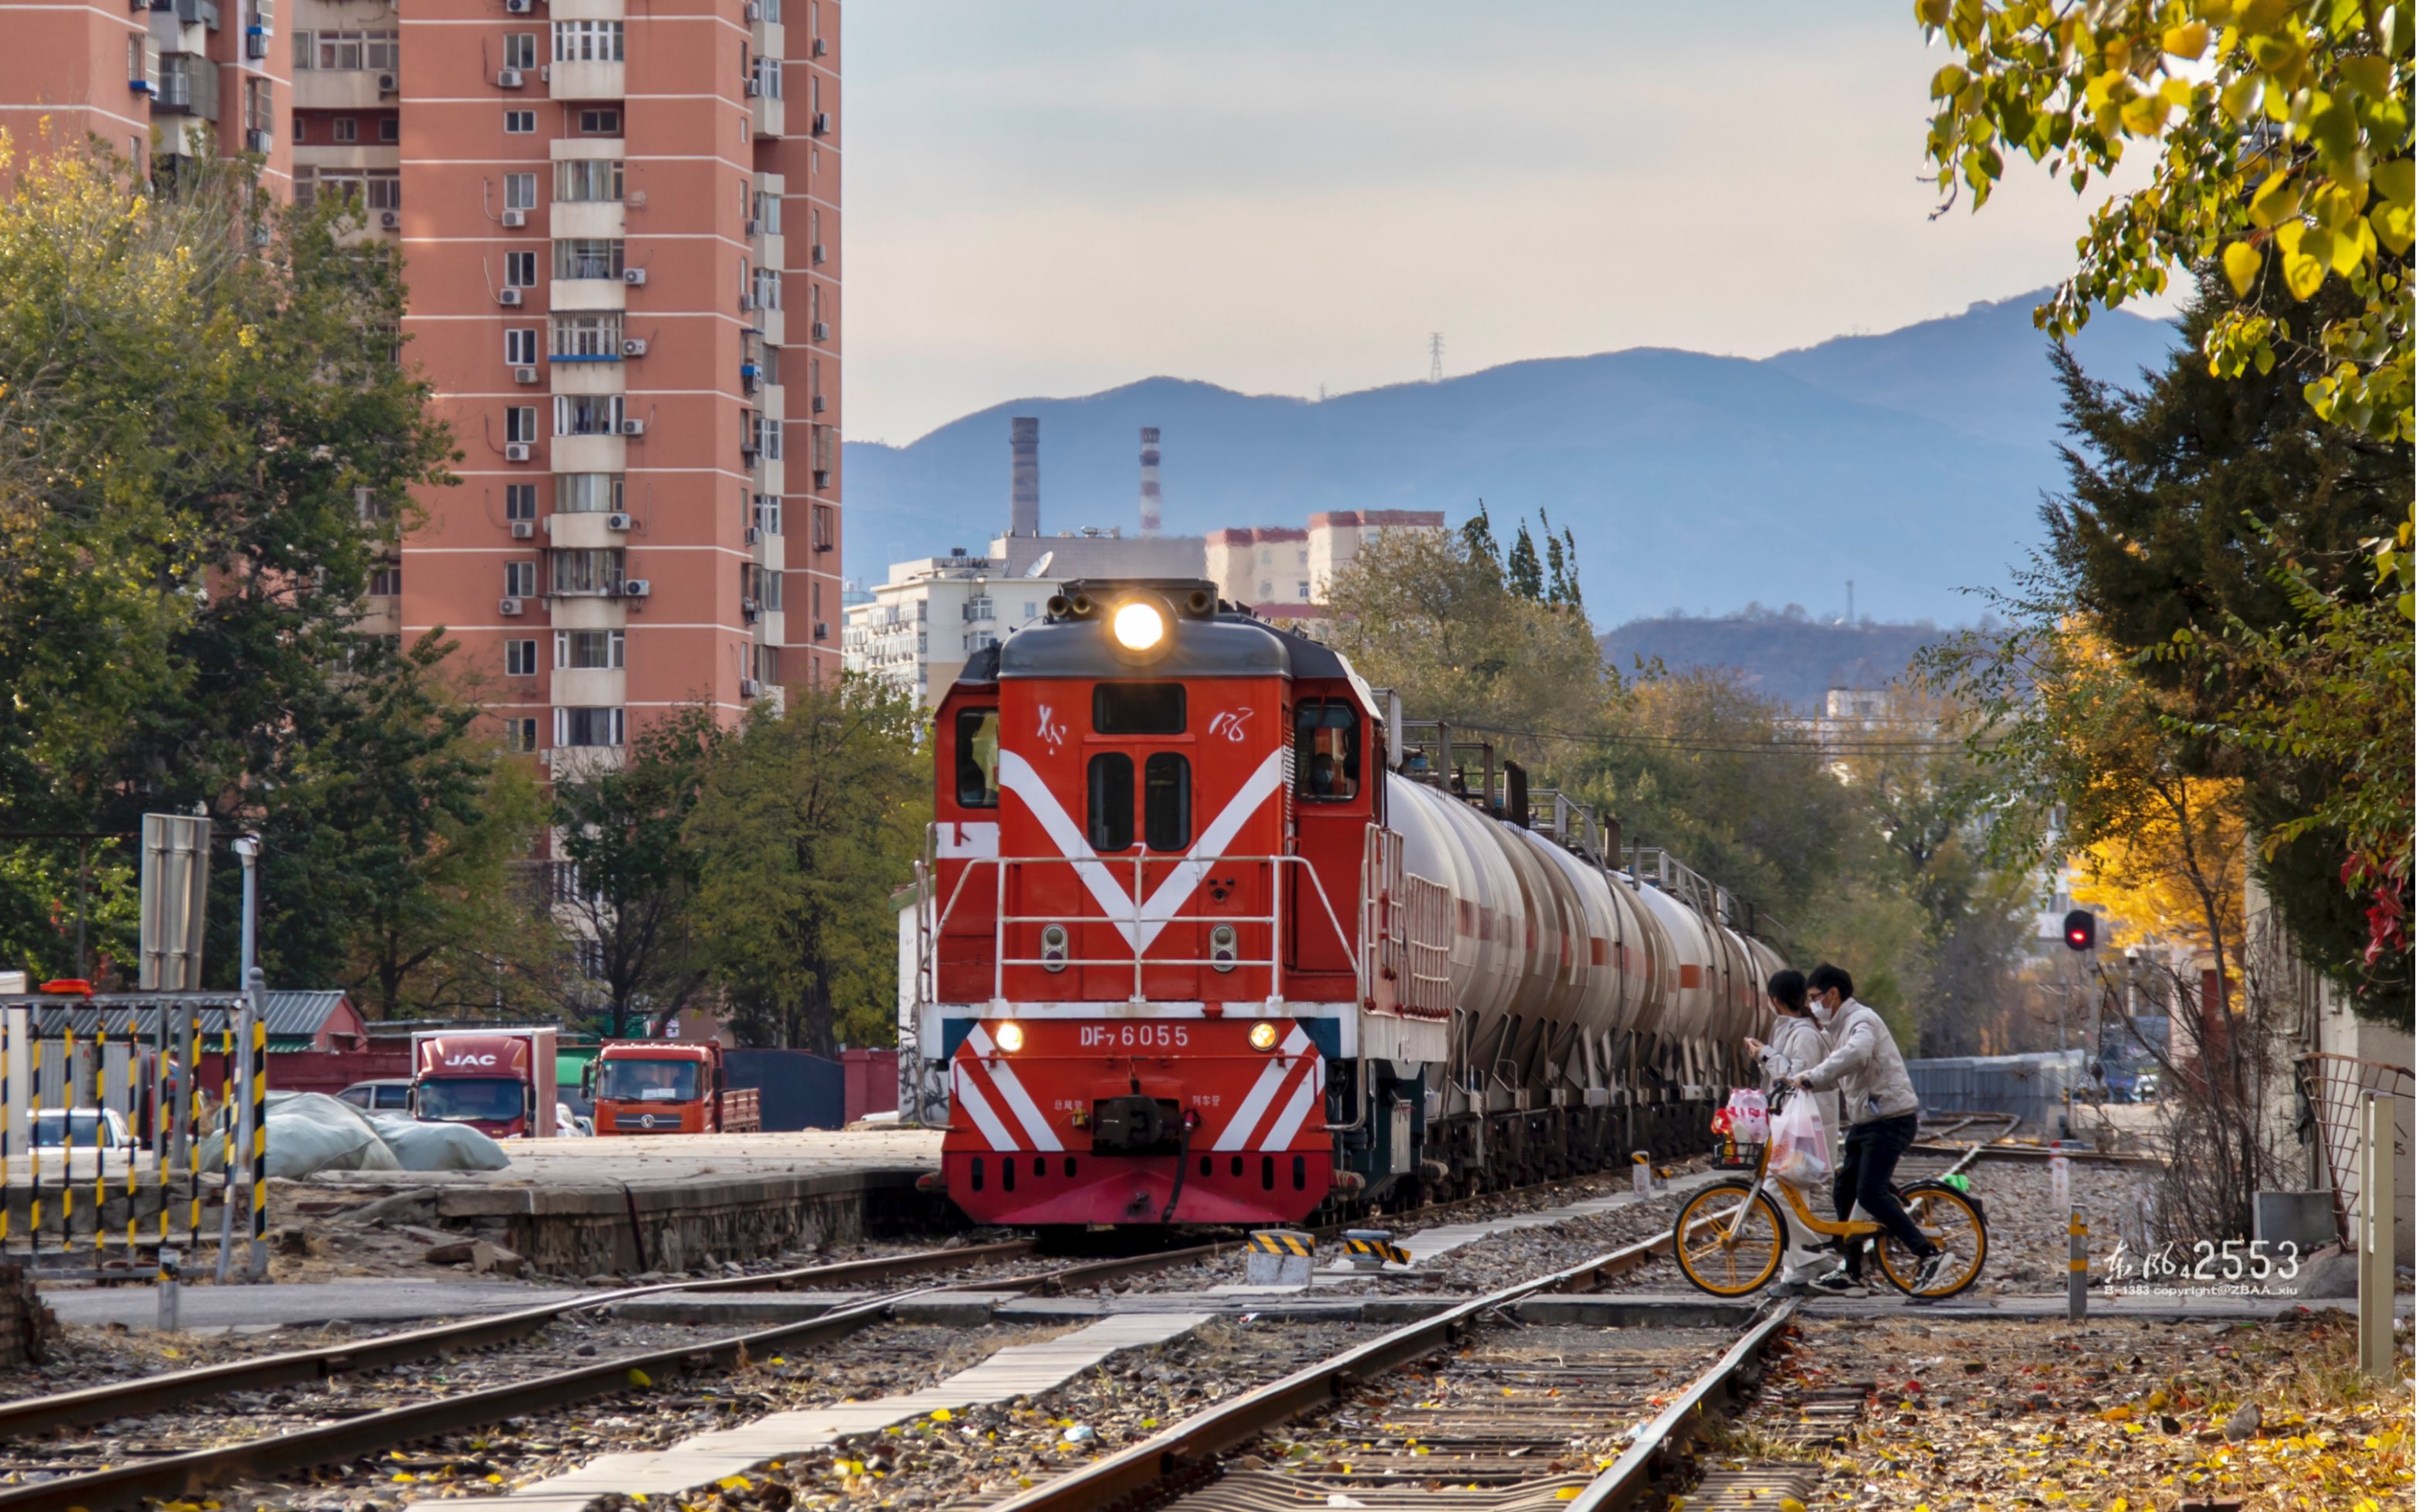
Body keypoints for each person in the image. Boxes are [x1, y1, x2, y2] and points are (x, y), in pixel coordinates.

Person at [1784, 962, 1949, 1296]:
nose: (1813, 1005)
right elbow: (1839, 1072)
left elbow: (1856, 1054)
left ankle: (1929, 1255)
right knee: (1844, 1190)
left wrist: (1813, 1076)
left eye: (1816, 997)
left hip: (1891, 1120)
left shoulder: (1861, 1021)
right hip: (1867, 1122)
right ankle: (1851, 1269)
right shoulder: (1839, 1028)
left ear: (1833, 994)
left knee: (1870, 1193)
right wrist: (1802, 1084)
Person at [1744, 969, 1847, 1291]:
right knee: (1791, 1195)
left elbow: (1795, 1077)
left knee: (1777, 1191)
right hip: (1797, 1131)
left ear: (1774, 1000)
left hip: (1807, 1134)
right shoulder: (1793, 1029)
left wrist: (1764, 1054)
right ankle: (1796, 1269)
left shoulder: (1804, 1034)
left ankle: (1812, 1257)